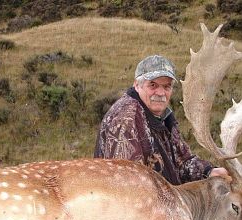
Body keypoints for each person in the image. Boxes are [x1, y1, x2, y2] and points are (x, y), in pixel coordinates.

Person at [94, 55, 227, 185]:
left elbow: (182, 161)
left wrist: (209, 171)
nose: (161, 93)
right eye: (153, 85)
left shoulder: (164, 118)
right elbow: (128, 182)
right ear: (137, 85)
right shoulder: (126, 118)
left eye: (167, 86)